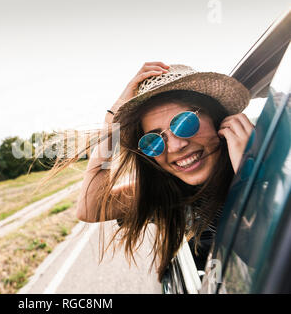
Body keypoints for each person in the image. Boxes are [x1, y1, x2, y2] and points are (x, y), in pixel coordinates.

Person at [36, 62, 254, 281]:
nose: (176, 146)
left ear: (217, 119)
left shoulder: (275, 168)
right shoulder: (169, 191)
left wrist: (251, 173)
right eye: (154, 140)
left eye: (185, 123)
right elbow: (90, 206)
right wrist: (112, 122)